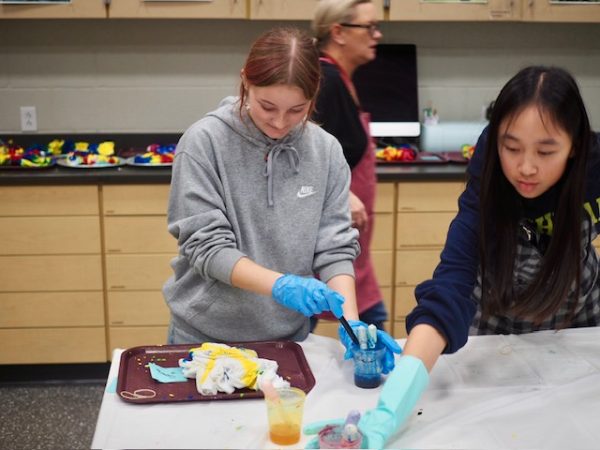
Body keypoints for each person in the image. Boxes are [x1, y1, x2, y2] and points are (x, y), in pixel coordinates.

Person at [305, 65, 600, 449]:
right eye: (511, 148)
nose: (526, 167)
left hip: (579, 317)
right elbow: (452, 283)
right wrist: (389, 409)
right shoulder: (489, 168)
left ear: (575, 145)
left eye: (546, 151)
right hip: (497, 317)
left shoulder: (596, 168)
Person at [162, 27, 399, 365]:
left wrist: (352, 321)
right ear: (246, 82)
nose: (279, 122)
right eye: (267, 106)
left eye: (296, 110)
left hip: (289, 341)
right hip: (206, 340)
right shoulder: (205, 143)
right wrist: (283, 286)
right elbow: (207, 247)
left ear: (314, 94)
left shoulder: (325, 151)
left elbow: (334, 246)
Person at [310, 0, 388, 332]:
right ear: (338, 32)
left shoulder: (340, 79)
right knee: (310, 314)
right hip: (331, 233)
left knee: (360, 315)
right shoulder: (325, 80)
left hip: (351, 240)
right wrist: (341, 195)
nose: (378, 34)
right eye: (369, 27)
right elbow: (302, 155)